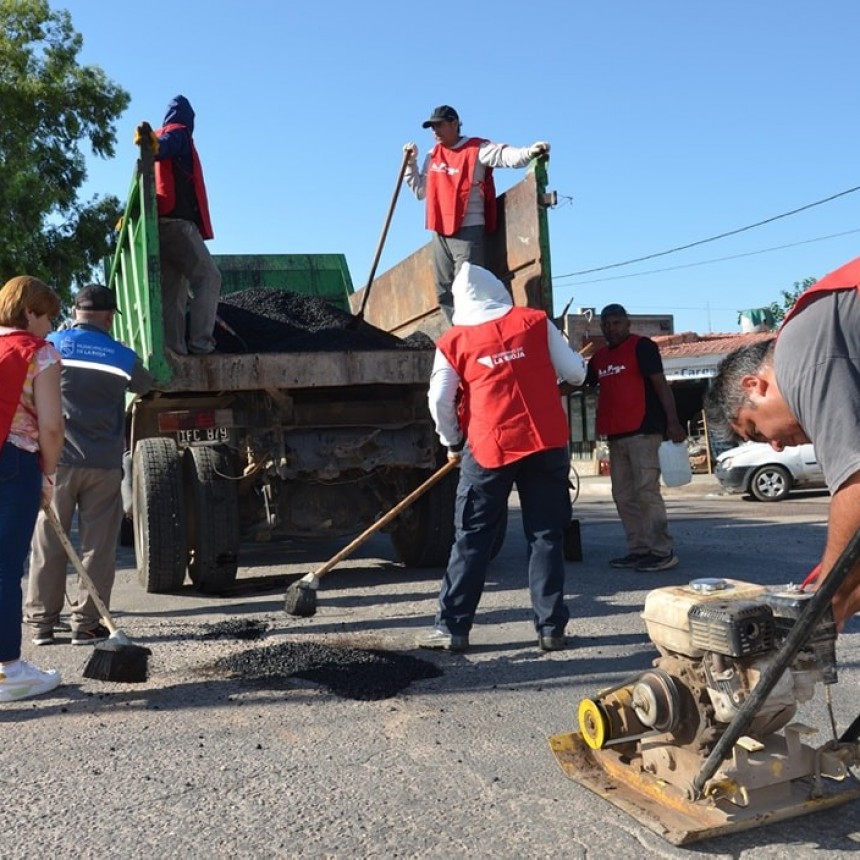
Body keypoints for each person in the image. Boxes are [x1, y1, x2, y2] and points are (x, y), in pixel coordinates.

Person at [417, 263, 586, 653]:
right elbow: (575, 375)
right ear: (498, 292)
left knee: (472, 537)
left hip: (488, 448)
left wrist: (452, 441)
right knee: (545, 536)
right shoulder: (534, 322)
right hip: (545, 443)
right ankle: (550, 630)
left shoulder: (454, 340)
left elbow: (439, 399)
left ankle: (453, 629)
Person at [704, 255, 860, 631]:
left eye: (756, 431)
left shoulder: (799, 350)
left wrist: (828, 600)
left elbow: (856, 483)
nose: (775, 446)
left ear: (754, 386)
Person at [25, 285, 152, 646]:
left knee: (49, 542)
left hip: (57, 460)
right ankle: (87, 624)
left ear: (75, 311)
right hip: (104, 464)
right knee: (98, 546)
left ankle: (41, 625)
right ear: (110, 317)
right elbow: (146, 385)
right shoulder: (121, 355)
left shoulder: (51, 345)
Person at [403, 105, 550, 320]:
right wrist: (410, 164)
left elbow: (505, 155)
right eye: (432, 127)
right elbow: (420, 190)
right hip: (439, 231)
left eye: (440, 125)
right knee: (444, 290)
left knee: (469, 287)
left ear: (455, 124)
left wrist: (529, 153)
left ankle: (476, 332)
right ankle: (460, 334)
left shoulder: (477, 149)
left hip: (468, 229)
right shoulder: (432, 155)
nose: (435, 131)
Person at [0, 276, 64, 702]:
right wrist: (49, 474)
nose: (49, 327)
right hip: (13, 463)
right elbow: (53, 427)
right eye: (47, 317)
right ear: (29, 312)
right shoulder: (38, 353)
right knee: (5, 569)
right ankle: (9, 671)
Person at [585, 303, 686, 573]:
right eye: (606, 324)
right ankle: (639, 549)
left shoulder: (642, 347)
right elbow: (580, 381)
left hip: (644, 431)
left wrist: (672, 422)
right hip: (616, 436)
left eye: (616, 323)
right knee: (623, 495)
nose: (611, 328)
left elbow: (661, 385)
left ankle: (662, 552)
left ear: (627, 323)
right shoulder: (600, 358)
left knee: (646, 492)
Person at [136, 94, 221, 355]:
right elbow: (166, 145)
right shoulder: (179, 133)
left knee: (174, 291)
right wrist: (156, 145)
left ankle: (174, 350)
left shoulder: (163, 139)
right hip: (178, 226)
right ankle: (201, 344)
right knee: (208, 277)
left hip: (158, 228)